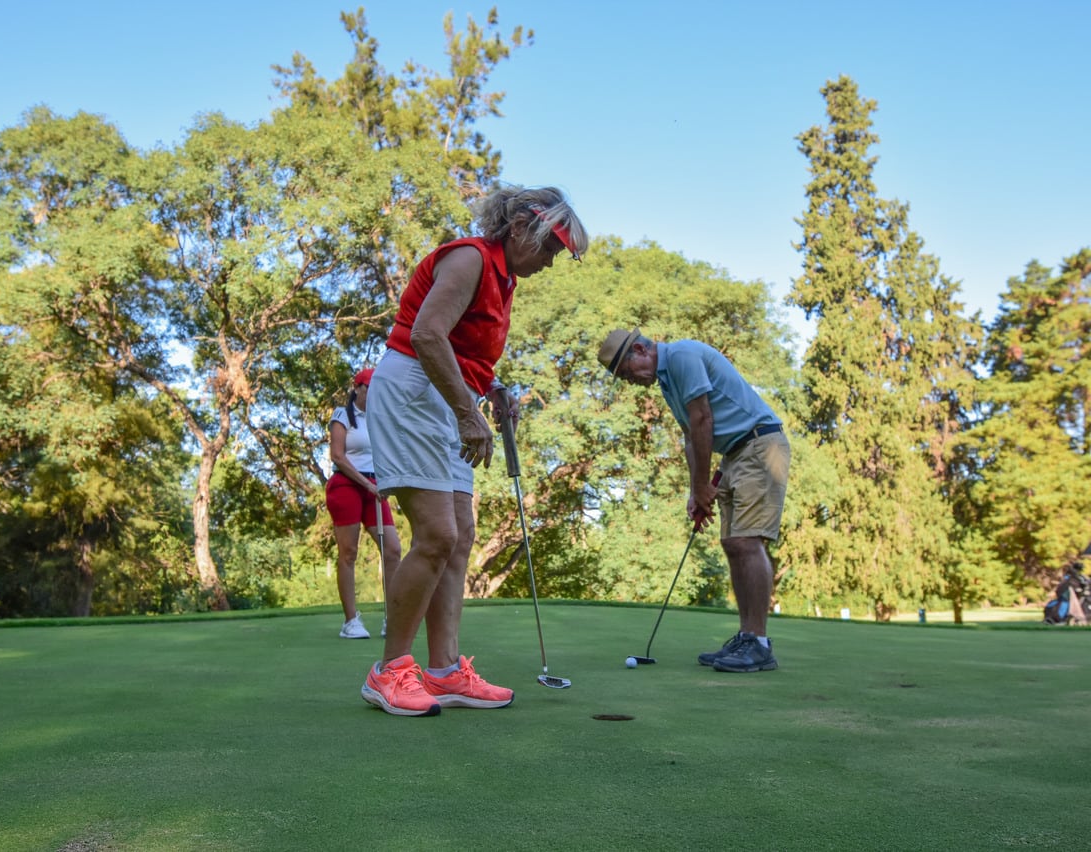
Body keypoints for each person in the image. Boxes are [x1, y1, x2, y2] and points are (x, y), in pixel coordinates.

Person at [361, 185, 588, 716]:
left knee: (460, 536)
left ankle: (442, 672)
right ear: (518, 229)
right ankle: (389, 671)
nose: (551, 263)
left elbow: (465, 352)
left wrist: (493, 391)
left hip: (447, 395)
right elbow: (427, 335)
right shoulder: (469, 258)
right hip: (416, 392)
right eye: (551, 248)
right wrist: (468, 412)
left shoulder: (504, 279)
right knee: (437, 533)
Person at [598, 328, 790, 673]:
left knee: (747, 541)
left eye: (626, 373)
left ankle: (759, 644)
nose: (629, 381)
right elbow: (690, 436)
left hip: (760, 446)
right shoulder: (667, 382)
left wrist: (704, 485)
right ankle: (747, 637)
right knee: (733, 542)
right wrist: (695, 490)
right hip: (736, 453)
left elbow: (704, 419)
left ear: (640, 350)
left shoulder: (683, 356)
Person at [325, 368, 401, 639]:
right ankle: (351, 621)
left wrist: (387, 482)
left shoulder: (381, 417)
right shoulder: (342, 415)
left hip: (375, 489)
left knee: (392, 549)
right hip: (346, 485)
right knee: (349, 552)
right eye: (369, 387)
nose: (373, 393)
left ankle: (392, 617)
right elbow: (338, 456)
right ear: (357, 388)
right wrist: (367, 484)